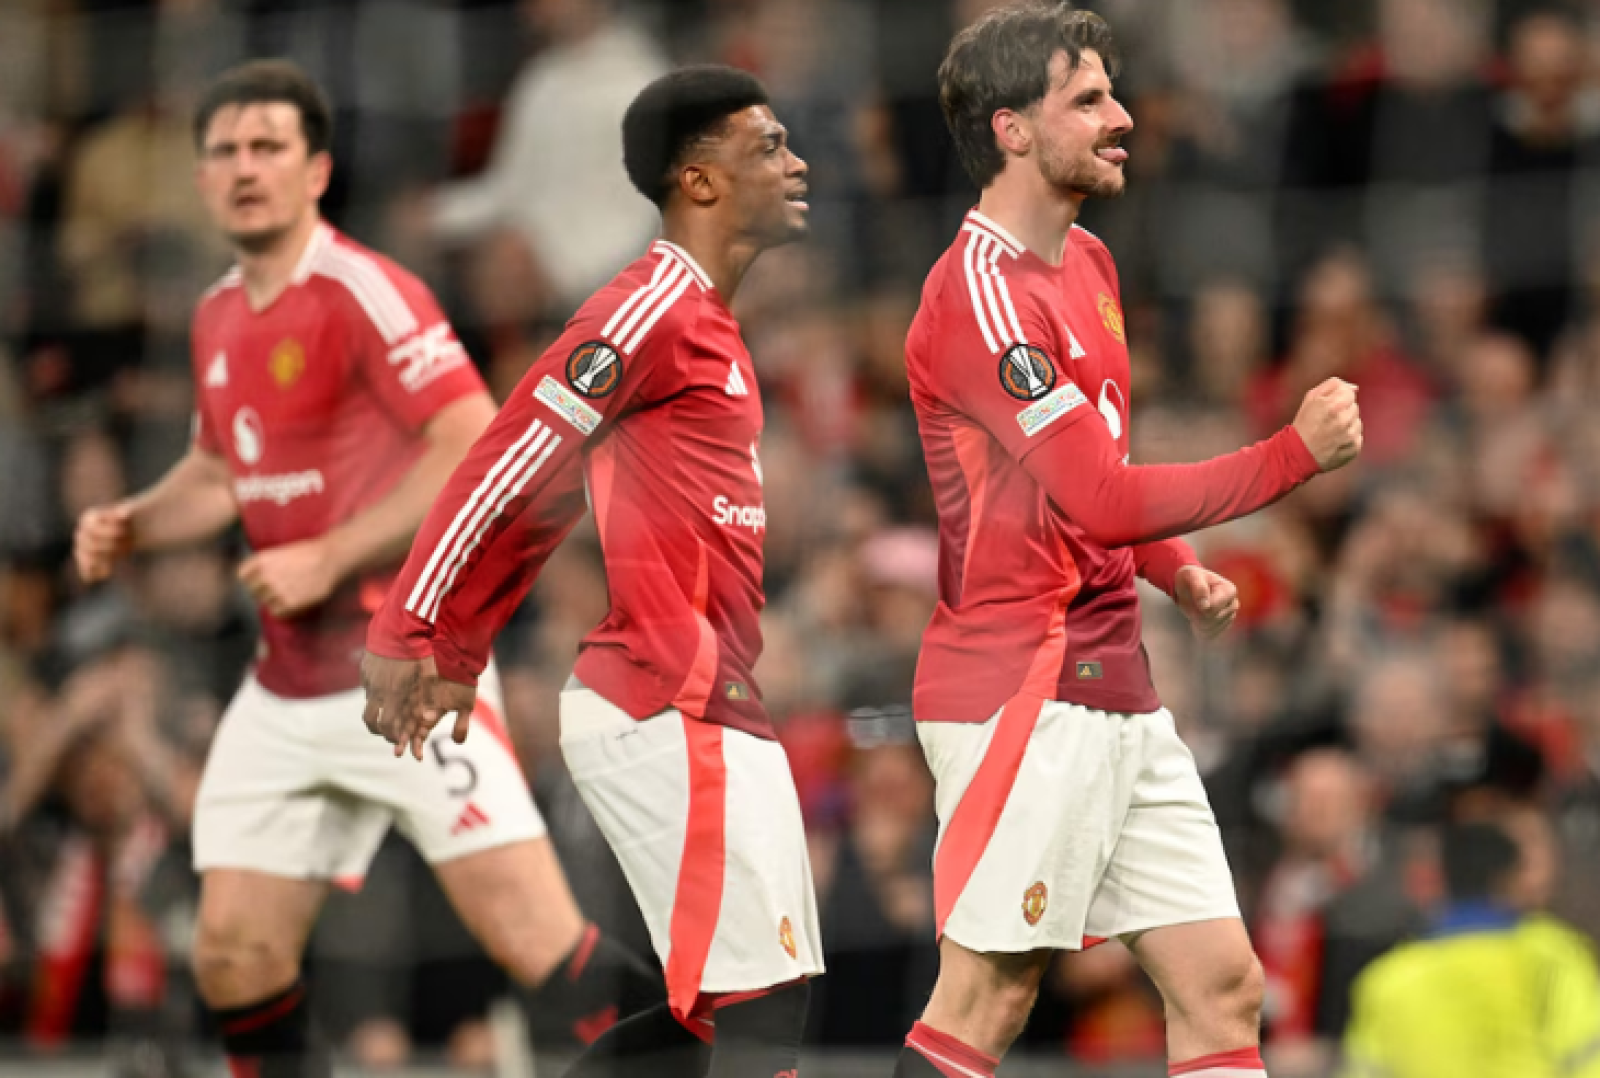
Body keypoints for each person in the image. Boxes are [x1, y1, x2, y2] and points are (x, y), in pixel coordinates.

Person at [71, 59, 660, 1078]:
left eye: (268, 147)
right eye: (225, 151)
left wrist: (330, 555)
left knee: (537, 941)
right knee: (234, 953)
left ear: (316, 171)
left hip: (403, 673)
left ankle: (694, 1061)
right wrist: (138, 522)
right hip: (285, 686)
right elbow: (220, 469)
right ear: (201, 178)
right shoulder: (216, 314)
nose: (244, 167)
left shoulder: (365, 292)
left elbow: (472, 436)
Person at [894, 7, 1363, 1078]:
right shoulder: (977, 295)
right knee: (989, 994)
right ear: (1012, 128)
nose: (1125, 119)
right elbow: (1100, 497)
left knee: (1222, 984)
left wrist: (1172, 569)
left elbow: (1088, 467)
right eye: (1089, 100)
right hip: (1019, 685)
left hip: (1118, 685)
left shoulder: (1092, 263)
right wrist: (1291, 454)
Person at [360, 66, 823, 1078]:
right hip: (662, 693)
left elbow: (553, 500)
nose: (797, 165)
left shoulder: (710, 323)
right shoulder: (649, 306)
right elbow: (513, 454)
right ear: (698, 180)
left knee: (725, 1013)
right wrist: (412, 623)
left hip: (714, 698)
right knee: (759, 1012)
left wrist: (464, 644)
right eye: (769, 146)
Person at [1343, 819, 1600, 1078]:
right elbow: (1589, 1057)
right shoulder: (1552, 955)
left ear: (1443, 879)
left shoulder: (1389, 979)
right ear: (1508, 878)